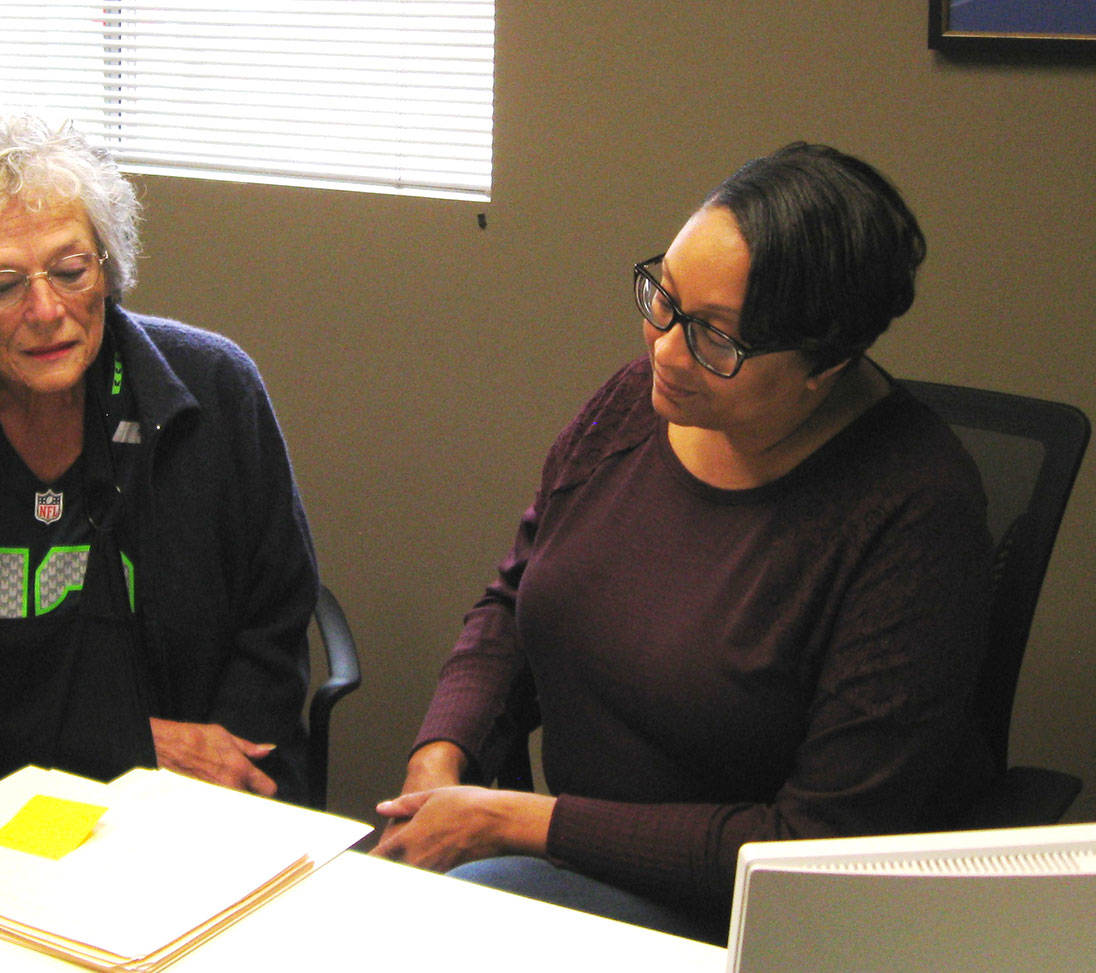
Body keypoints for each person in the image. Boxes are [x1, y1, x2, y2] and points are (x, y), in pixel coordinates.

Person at [372, 142, 995, 943]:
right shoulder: (636, 405)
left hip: (741, 917)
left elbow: (815, 848)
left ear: (827, 363)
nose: (663, 350)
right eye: (662, 297)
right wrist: (441, 755)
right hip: (549, 856)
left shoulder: (915, 513)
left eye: (715, 338)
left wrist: (516, 822)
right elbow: (512, 604)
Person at [0, 113, 319, 855]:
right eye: (2, 284)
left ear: (108, 267)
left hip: (198, 813)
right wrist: (126, 744)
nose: (46, 310)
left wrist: (224, 772)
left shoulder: (215, 392)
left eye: (70, 270)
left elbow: (274, 616)